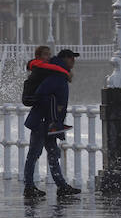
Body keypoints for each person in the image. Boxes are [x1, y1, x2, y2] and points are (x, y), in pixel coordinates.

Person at [23, 49, 82, 198]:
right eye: (71, 58)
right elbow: (42, 94)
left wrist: (55, 118)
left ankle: (61, 186)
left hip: (49, 122)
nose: (73, 61)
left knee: (53, 154)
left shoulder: (59, 74)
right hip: (43, 122)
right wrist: (55, 111)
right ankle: (29, 187)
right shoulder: (57, 76)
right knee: (34, 153)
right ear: (64, 59)